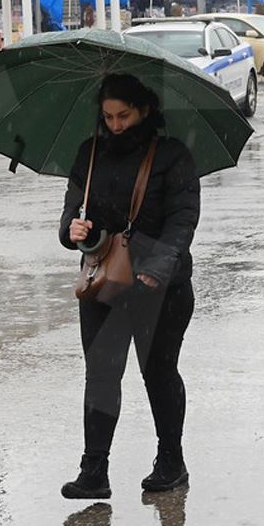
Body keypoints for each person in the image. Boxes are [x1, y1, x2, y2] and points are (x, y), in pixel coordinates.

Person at [59, 74, 200, 500]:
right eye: (108, 116)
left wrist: (157, 268)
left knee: (158, 373)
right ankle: (93, 471)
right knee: (101, 374)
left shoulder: (172, 155)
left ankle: (171, 461)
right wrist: (74, 229)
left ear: (144, 110)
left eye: (124, 115)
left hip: (162, 287)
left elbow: (183, 218)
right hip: (105, 280)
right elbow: (69, 216)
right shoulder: (90, 153)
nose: (116, 124)